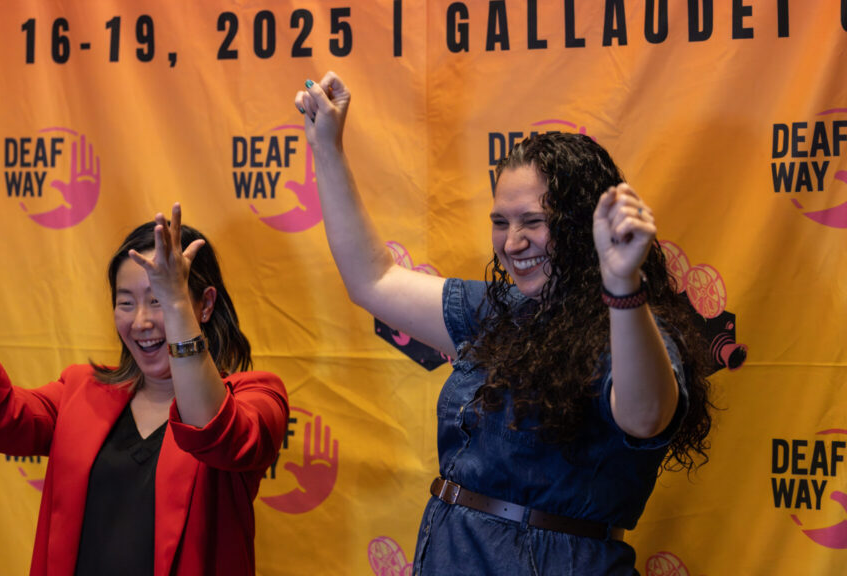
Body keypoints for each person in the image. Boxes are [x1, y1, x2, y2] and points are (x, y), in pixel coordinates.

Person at [294, 72, 713, 574]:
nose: (513, 242)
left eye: (533, 222)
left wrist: (623, 286)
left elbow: (645, 418)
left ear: (582, 223)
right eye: (500, 222)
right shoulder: (494, 311)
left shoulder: (630, 326)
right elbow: (372, 280)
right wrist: (327, 148)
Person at [0, 194, 289, 576]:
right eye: (126, 303)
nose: (141, 321)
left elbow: (212, 428)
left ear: (204, 305)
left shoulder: (256, 397)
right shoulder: (80, 391)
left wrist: (176, 306)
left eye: (157, 300)